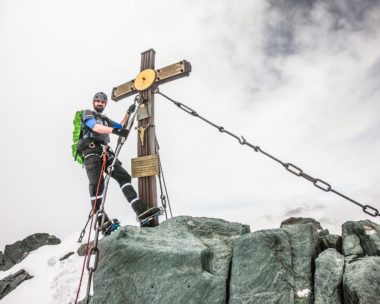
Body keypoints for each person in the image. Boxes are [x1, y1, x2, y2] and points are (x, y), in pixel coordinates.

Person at [78, 92, 159, 234]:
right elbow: (94, 127)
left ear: (105, 104)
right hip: (91, 152)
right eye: (97, 101)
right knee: (97, 185)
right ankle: (102, 222)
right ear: (93, 102)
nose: (100, 104)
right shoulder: (88, 114)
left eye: (102, 102)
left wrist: (128, 113)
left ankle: (141, 210)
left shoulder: (105, 119)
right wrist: (115, 131)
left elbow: (120, 126)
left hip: (105, 151)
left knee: (123, 176)